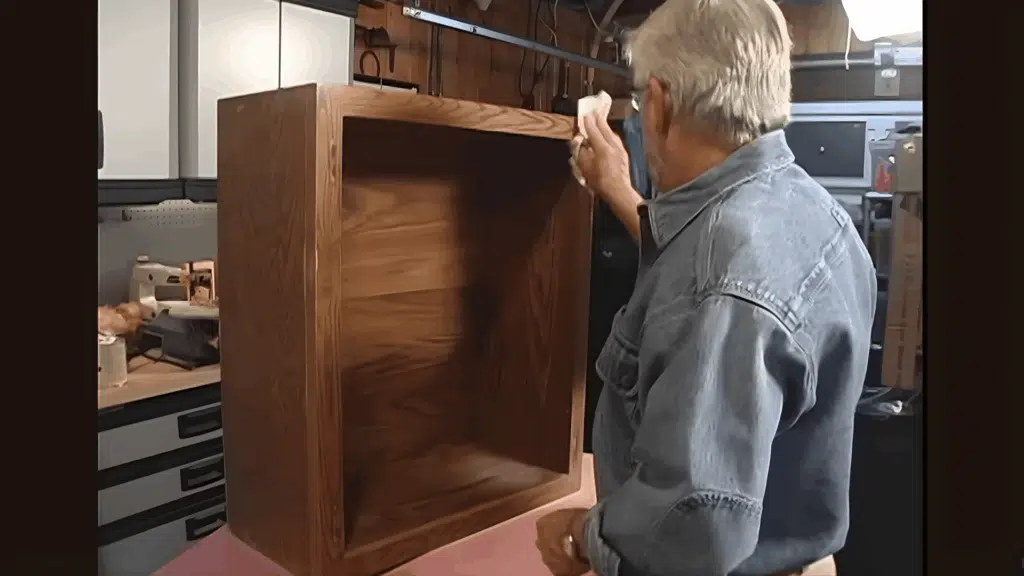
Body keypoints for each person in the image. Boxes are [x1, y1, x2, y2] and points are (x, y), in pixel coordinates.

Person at [533, 0, 877, 574]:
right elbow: (698, 263)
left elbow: (695, 523)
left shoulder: (725, 285)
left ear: (662, 105)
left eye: (642, 100)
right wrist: (618, 187)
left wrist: (586, 534)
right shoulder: (817, 215)